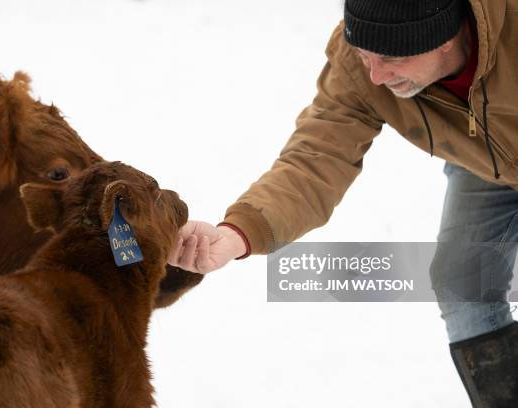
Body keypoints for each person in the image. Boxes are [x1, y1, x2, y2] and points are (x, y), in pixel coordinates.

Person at [168, 0, 518, 406]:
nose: (376, 75)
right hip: (484, 167)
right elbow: (317, 157)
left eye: (391, 57)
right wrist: (238, 233)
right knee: (463, 282)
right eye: (366, 55)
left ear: (444, 37)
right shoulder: (361, 69)